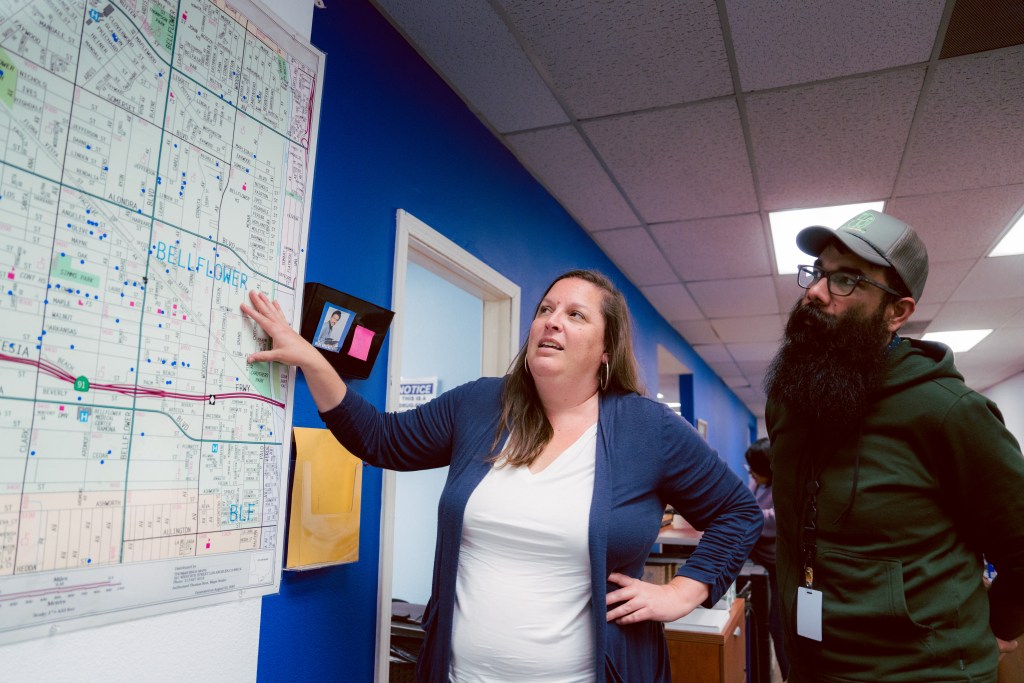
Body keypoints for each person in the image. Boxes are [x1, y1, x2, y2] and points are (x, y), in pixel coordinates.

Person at [242, 269, 762, 682]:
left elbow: (737, 513)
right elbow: (380, 439)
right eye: (544, 310)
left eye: (575, 314)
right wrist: (313, 359)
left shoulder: (646, 428)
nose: (551, 321)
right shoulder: (482, 403)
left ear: (606, 350)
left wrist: (687, 590)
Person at [763, 209, 1024, 682]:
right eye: (819, 273)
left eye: (846, 280)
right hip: (812, 664)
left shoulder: (949, 412)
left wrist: (1001, 624)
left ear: (897, 312)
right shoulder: (789, 402)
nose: (816, 292)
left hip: (922, 670)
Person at [744, 437, 789, 681]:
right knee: (766, 623)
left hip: (777, 565)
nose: (750, 473)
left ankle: (788, 675)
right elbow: (745, 505)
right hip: (759, 560)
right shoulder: (757, 481)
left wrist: (748, 516)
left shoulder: (785, 486)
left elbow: (773, 520)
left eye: (755, 469)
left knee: (778, 627)